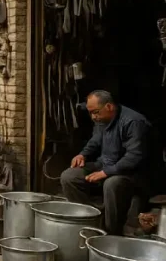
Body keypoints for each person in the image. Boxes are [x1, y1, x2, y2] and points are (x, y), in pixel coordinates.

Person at [60, 90, 153, 235]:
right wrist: (82, 154)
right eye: (90, 113)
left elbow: (134, 156)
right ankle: (89, 219)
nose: (93, 117)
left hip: (132, 173)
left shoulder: (133, 122)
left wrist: (105, 173)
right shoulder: (102, 120)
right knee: (69, 177)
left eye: (95, 112)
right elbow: (95, 141)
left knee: (112, 184)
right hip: (105, 164)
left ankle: (111, 232)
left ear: (109, 106)